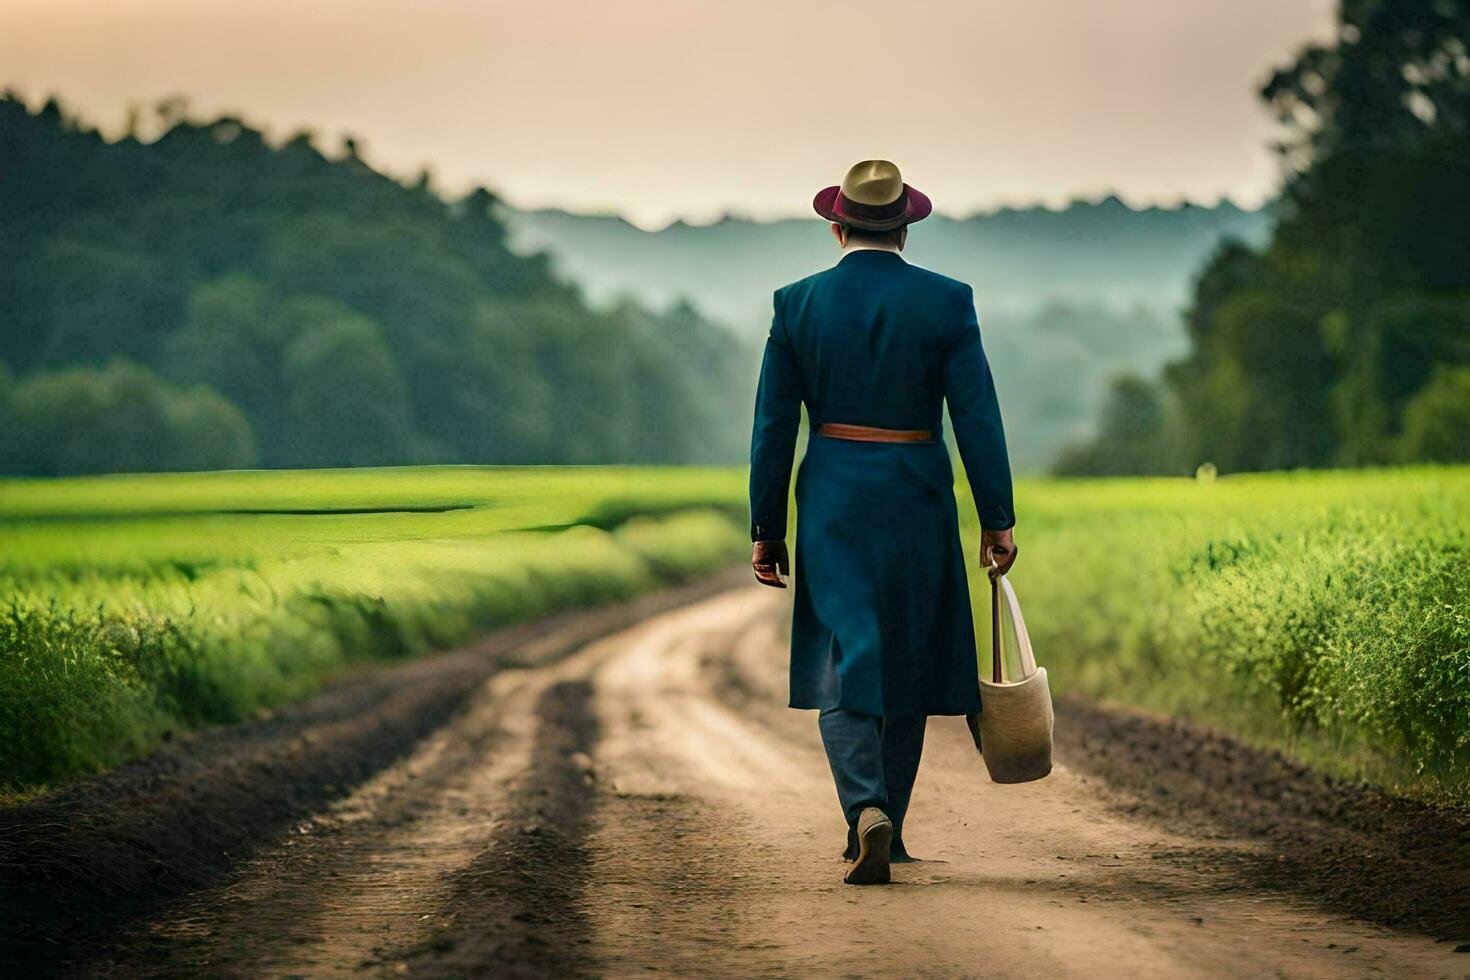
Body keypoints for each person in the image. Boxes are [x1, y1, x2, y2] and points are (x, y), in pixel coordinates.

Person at [748, 160, 1017, 885]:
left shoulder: (795, 304)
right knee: (907, 659)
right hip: (919, 494)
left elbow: (774, 427)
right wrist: (998, 517)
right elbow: (977, 418)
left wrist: (765, 528)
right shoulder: (948, 302)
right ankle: (887, 830)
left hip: (834, 495)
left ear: (837, 225)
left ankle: (864, 809)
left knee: (844, 658)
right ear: (905, 228)